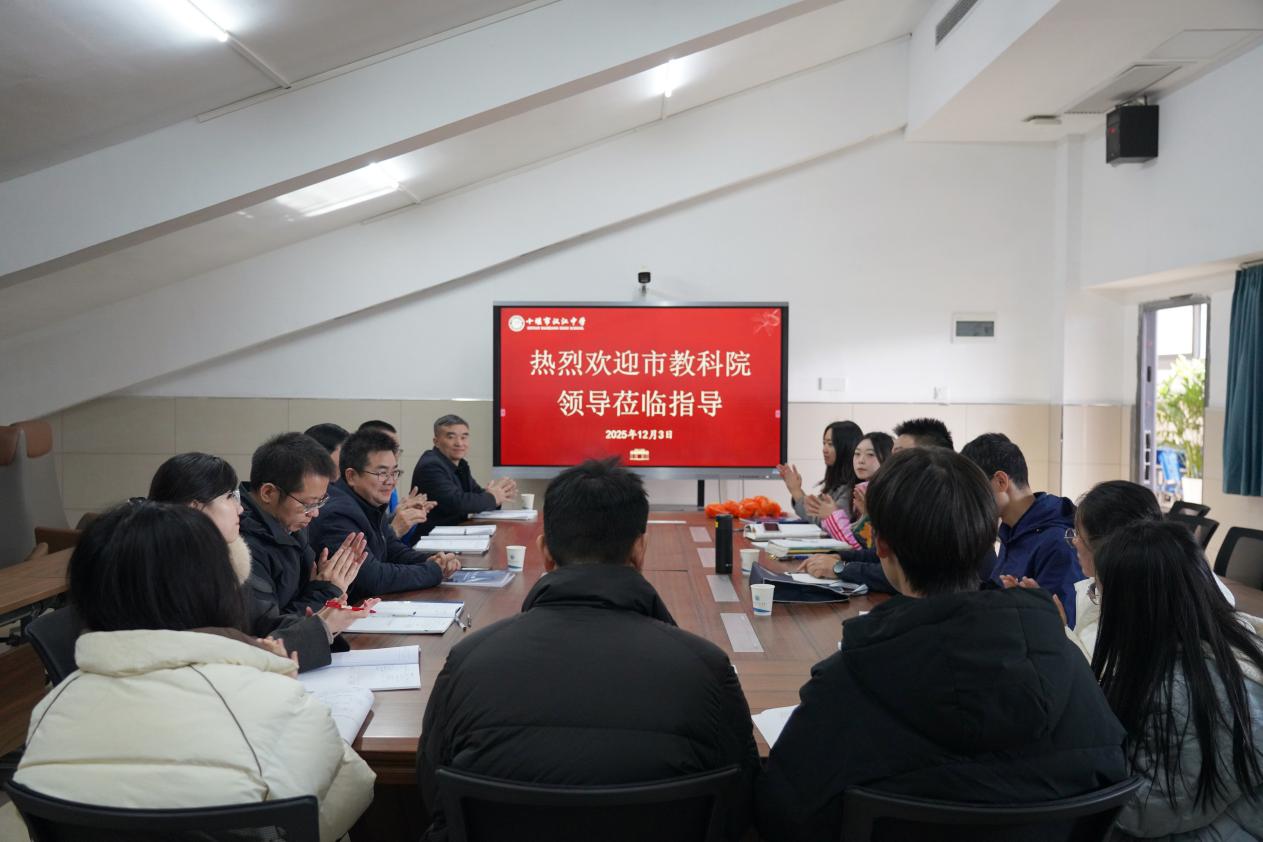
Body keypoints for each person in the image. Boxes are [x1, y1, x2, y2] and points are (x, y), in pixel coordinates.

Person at [756, 448, 1127, 842]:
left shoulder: (843, 684)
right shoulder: (1069, 665)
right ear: (987, 541)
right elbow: (1111, 786)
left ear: (882, 546)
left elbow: (780, 814)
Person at [417, 458, 759, 842]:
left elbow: (433, 793)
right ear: (640, 550)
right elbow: (741, 804)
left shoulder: (468, 662)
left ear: (545, 552)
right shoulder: (707, 669)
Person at [12, 501, 375, 841]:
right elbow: (351, 792)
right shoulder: (271, 696)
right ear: (215, 587)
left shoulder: (49, 710)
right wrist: (283, 691)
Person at [1093, 520, 1263, 840]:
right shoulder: (1238, 639)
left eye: (1099, 592)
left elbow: (1146, 812)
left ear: (1131, 605)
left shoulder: (1181, 692)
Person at [148, 452, 369, 671]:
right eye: (230, 497)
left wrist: (322, 621)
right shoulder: (174, 573)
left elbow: (261, 624)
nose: (240, 508)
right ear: (195, 508)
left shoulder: (220, 558)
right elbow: (234, 653)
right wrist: (322, 625)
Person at [309, 429, 462, 603]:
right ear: (351, 476)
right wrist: (433, 571)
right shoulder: (338, 513)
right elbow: (372, 579)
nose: (391, 481)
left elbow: (393, 550)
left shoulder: (368, 502)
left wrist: (433, 559)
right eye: (382, 473)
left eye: (394, 472)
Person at [962, 432, 1086, 625]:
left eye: (973, 491)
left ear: (1001, 481)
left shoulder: (1056, 542)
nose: (968, 501)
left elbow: (1064, 627)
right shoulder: (1013, 531)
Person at [240, 432, 364, 618]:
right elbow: (268, 626)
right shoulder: (242, 545)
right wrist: (326, 591)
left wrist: (331, 580)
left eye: (320, 502)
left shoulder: (292, 525)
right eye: (308, 504)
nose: (315, 513)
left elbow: (304, 596)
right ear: (268, 493)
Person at [411, 414, 516, 534]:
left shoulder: (461, 465)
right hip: (432, 538)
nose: (459, 443)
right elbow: (457, 502)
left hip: (454, 533)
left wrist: (498, 494)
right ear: (436, 442)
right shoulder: (431, 465)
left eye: (464, 437)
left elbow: (475, 495)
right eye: (451, 437)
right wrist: (492, 497)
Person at [808, 432, 893, 549]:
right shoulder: (860, 489)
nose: (861, 460)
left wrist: (832, 516)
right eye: (857, 454)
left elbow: (859, 548)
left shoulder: (886, 495)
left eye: (870, 454)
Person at [777, 421, 863, 524]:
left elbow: (821, 520)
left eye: (830, 444)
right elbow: (815, 510)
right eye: (824, 443)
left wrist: (795, 490)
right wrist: (796, 489)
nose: (824, 449)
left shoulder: (852, 490)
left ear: (846, 447)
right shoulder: (837, 483)